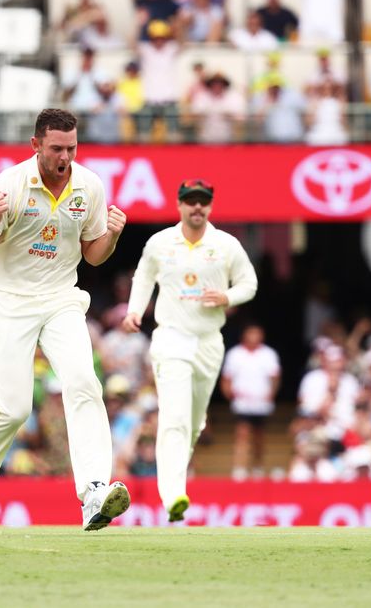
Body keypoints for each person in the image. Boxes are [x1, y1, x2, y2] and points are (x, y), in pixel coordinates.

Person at [0, 108, 131, 534]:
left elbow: (93, 255)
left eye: (71, 148)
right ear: (35, 146)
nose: (64, 157)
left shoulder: (89, 186)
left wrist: (114, 235)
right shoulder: (8, 187)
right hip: (10, 302)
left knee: (85, 382)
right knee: (14, 409)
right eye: (56, 149)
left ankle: (92, 494)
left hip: (62, 299)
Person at [122, 179, 257, 523]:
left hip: (209, 341)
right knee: (175, 417)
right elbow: (143, 278)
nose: (197, 207)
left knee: (194, 424)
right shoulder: (160, 243)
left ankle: (176, 482)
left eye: (203, 202)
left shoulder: (226, 245)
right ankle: (173, 495)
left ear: (210, 206)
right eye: (190, 201)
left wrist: (227, 297)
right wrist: (135, 311)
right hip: (171, 338)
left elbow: (249, 283)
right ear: (179, 205)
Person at [221, 324, 280, 480]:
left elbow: (275, 378)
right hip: (243, 403)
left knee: (259, 436)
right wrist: (230, 394)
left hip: (261, 403)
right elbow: (227, 379)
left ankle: (257, 467)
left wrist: (271, 394)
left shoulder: (268, 354)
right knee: (242, 434)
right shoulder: (235, 354)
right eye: (251, 333)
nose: (254, 337)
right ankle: (239, 468)